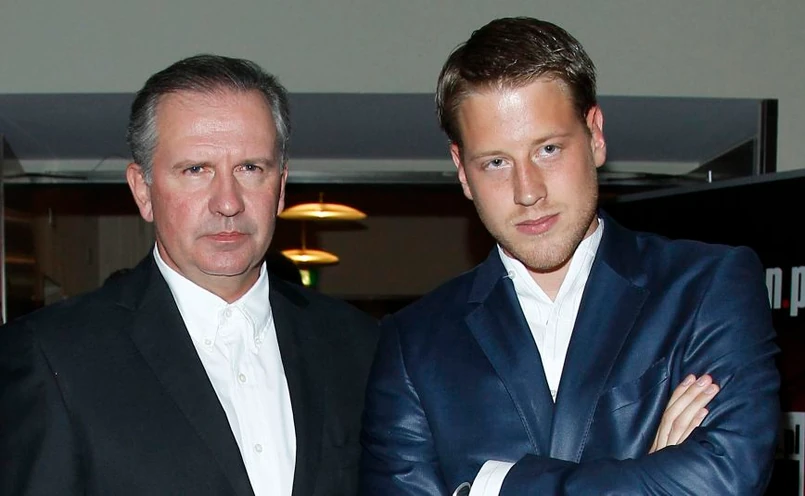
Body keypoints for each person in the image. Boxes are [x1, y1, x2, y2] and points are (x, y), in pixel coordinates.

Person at [360, 17, 780, 495]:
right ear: (462, 170)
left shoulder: (706, 287)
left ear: (595, 135)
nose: (527, 191)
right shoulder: (414, 343)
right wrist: (649, 475)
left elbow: (727, 477)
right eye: (496, 162)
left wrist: (497, 486)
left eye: (548, 149)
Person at [0, 54, 378, 496]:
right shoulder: (53, 356)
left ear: (280, 186)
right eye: (196, 170)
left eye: (250, 168)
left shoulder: (359, 345)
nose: (228, 202)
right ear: (143, 190)